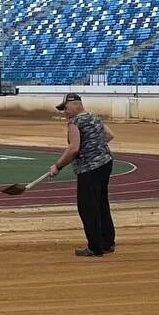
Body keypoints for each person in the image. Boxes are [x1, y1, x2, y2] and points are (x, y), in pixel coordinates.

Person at [48, 92, 116, 257]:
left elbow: (73, 148)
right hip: (105, 163)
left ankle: (95, 246)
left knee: (87, 207)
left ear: (74, 105)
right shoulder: (94, 117)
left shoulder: (75, 122)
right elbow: (109, 135)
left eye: (65, 108)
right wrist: (94, 146)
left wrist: (58, 166)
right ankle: (107, 242)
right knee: (101, 204)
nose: (64, 112)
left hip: (89, 169)